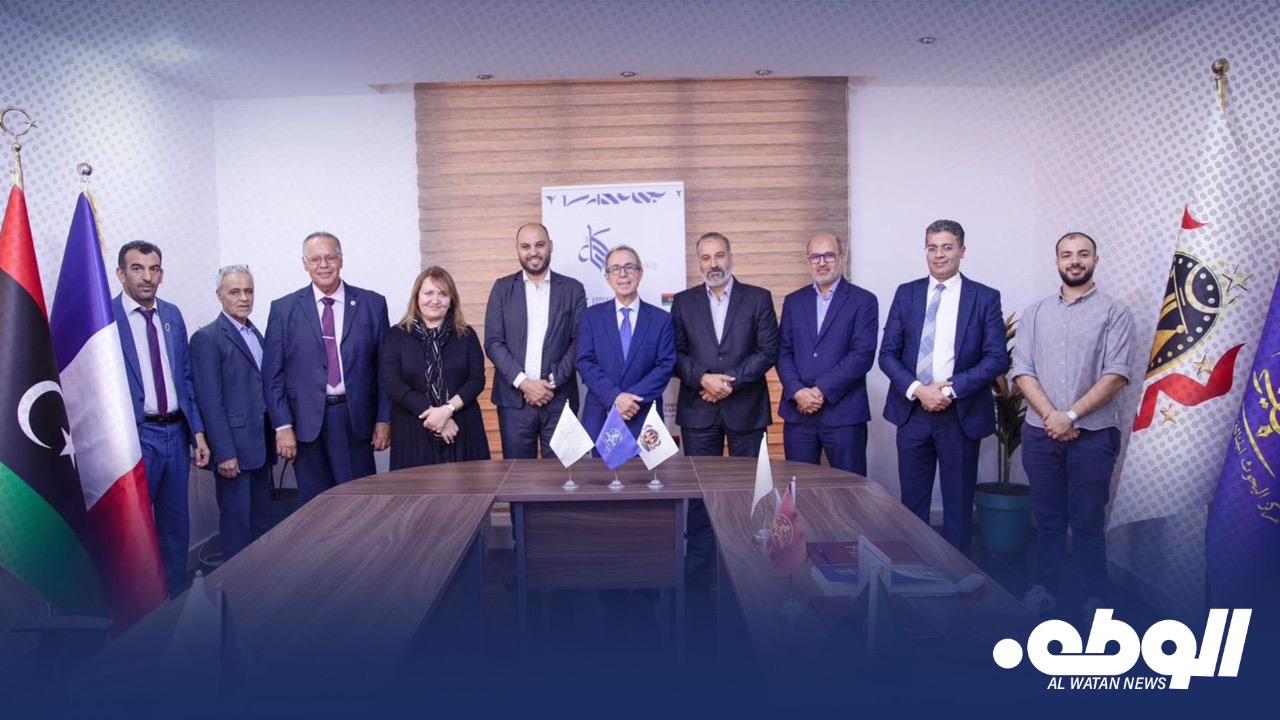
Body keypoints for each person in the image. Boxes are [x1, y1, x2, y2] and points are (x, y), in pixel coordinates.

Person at [1012, 232, 1133, 620]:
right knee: (1048, 521)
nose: (1074, 261)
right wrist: (1053, 416)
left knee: (1087, 522)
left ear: (1096, 260)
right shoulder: (1035, 313)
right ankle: (1043, 589)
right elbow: (1022, 370)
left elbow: (1116, 374)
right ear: (1057, 262)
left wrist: (1072, 416)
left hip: (1094, 436)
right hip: (1041, 432)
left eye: (1083, 254)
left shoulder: (1115, 313)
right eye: (1067, 255)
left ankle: (1094, 596)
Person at [880, 219, 1006, 556]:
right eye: (932, 248)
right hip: (912, 412)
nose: (939, 255)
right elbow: (887, 354)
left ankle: (956, 573)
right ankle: (914, 570)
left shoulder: (984, 297)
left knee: (958, 505)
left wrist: (948, 391)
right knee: (912, 503)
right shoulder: (906, 294)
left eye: (947, 247)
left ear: (962, 251)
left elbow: (996, 358)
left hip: (960, 415)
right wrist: (919, 390)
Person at [671, 232, 778, 584]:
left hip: (746, 408)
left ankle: (750, 568)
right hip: (699, 410)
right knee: (702, 495)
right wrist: (704, 379)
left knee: (751, 491)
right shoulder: (683, 302)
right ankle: (700, 574)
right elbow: (675, 353)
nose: (713, 264)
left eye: (719, 256)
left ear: (731, 257)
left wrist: (727, 383)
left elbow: (768, 351)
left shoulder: (758, 298)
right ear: (698, 262)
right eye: (706, 258)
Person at [262, 232, 390, 504]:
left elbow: (384, 369)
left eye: (330, 257)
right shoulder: (283, 309)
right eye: (315, 259)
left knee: (359, 500)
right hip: (305, 424)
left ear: (341, 260)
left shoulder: (372, 304)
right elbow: (272, 376)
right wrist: (282, 426)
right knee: (315, 505)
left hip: (355, 419)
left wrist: (383, 419)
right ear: (304, 264)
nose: (324, 265)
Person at [111, 240, 209, 596]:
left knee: (175, 522)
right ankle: (139, 601)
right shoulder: (106, 319)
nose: (147, 277)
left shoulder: (171, 315)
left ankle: (176, 595)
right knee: (133, 527)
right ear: (121, 274)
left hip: (175, 434)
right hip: (136, 437)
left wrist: (197, 433)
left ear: (162, 274)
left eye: (153, 269)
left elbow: (186, 379)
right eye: (137, 269)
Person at [190, 265, 274, 561]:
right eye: (235, 292)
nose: (244, 298)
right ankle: (238, 585)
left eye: (248, 291)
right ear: (219, 295)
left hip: (260, 446)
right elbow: (210, 401)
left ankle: (261, 581)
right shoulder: (207, 338)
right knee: (237, 527)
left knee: (260, 523)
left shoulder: (255, 333)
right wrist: (224, 452)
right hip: (233, 451)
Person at [777, 231, 878, 475]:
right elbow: (782, 351)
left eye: (829, 255)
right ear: (808, 261)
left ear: (842, 258)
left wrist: (820, 391)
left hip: (844, 414)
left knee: (849, 488)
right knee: (799, 486)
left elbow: (862, 355)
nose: (822, 262)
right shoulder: (793, 301)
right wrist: (798, 392)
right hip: (798, 414)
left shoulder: (863, 301)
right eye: (815, 257)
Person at [484, 223, 586, 459]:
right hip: (514, 403)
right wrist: (524, 383)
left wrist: (550, 383)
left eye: (539, 245)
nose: (533, 252)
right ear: (517, 250)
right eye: (526, 246)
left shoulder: (573, 289)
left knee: (565, 474)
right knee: (518, 476)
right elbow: (493, 343)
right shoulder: (502, 289)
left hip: (559, 400)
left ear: (550, 246)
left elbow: (579, 341)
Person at [382, 266, 491, 468]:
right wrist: (434, 415)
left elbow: (477, 380)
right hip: (413, 429)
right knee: (418, 488)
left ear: (451, 300)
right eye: (428, 293)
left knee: (468, 486)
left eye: (443, 294)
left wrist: (447, 410)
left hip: (463, 427)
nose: (435, 300)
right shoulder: (396, 336)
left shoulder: (466, 335)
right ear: (416, 297)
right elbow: (393, 384)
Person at [576, 245, 676, 441]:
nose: (623, 274)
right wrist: (615, 398)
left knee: (645, 464)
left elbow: (665, 366)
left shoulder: (661, 319)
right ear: (607, 277)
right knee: (601, 464)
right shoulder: (591, 317)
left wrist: (630, 400)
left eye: (629, 267)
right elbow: (585, 362)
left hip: (644, 416)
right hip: (602, 416)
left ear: (640, 273)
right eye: (615, 269)